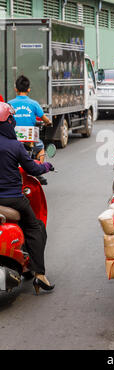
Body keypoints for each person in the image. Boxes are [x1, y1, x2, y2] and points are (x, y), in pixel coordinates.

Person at [0, 102, 54, 294]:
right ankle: (39, 274)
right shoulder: (15, 146)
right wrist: (46, 166)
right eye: (11, 119)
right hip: (12, 199)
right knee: (35, 226)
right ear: (7, 123)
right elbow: (33, 168)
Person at [9, 75, 52, 185]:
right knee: (41, 148)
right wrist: (48, 123)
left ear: (16, 89)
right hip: (30, 139)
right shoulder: (33, 104)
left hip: (13, 138)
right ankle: (38, 171)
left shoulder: (10, 103)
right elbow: (45, 119)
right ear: (28, 89)